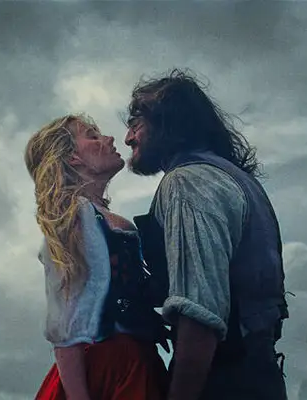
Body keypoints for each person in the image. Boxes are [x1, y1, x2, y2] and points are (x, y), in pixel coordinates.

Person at [124, 69, 290, 400]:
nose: (128, 138)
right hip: (257, 375)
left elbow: (199, 314)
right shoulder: (235, 179)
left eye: (135, 123)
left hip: (224, 382)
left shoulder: (188, 182)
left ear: (168, 121)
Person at [24, 114, 169, 400]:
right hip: (103, 371)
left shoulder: (105, 220)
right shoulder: (74, 219)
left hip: (138, 362)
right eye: (92, 135)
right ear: (73, 158)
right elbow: (65, 327)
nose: (110, 138)